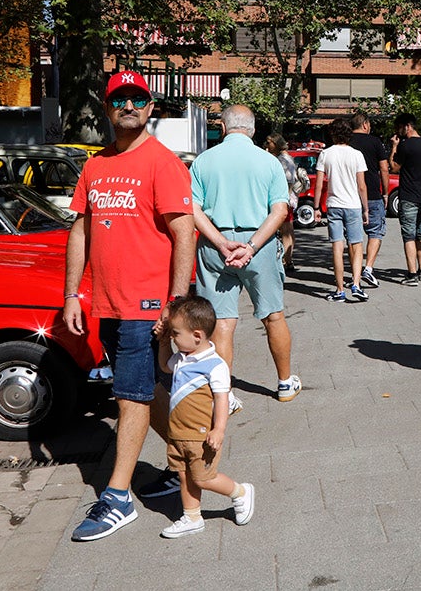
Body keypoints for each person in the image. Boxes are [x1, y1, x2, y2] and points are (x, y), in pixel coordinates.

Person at [64, 70, 196, 542]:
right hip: (106, 303)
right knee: (142, 390)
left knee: (130, 394)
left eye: (138, 99)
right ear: (107, 108)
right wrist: (71, 294)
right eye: (119, 99)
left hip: (147, 302)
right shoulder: (94, 166)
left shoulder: (163, 163)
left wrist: (174, 303)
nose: (129, 106)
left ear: (150, 108)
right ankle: (190, 458)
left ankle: (117, 496)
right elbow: (80, 231)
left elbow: (184, 233)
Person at [186, 105, 302, 409]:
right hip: (258, 242)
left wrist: (222, 242)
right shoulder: (269, 162)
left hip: (215, 243)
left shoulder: (203, 161)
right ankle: (285, 382)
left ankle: (225, 393)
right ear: (252, 130)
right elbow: (279, 210)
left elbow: (193, 209)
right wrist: (250, 246)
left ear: (223, 128)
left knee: (222, 322)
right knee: (273, 314)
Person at [151, 296, 254, 538]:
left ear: (197, 336)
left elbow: (221, 399)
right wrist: (164, 341)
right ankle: (192, 516)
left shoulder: (214, 366)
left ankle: (240, 492)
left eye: (176, 333)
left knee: (204, 478)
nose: (174, 337)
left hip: (201, 435)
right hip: (177, 433)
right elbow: (165, 365)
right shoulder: (183, 356)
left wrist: (218, 430)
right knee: (185, 475)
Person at [313, 117, 370, 302]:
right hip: (353, 205)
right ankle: (356, 284)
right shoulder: (356, 155)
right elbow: (362, 185)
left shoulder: (325, 154)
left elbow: (320, 184)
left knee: (337, 247)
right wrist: (366, 208)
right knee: (356, 245)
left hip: (334, 205)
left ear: (332, 134)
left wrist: (316, 207)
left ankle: (339, 290)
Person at [389, 113, 421, 285]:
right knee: (420, 233)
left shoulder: (405, 146)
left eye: (399, 128)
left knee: (408, 236)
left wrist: (394, 147)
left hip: (408, 196)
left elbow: (394, 168)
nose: (398, 131)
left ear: (407, 126)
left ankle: (411, 275)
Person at [350, 113, 390, 289]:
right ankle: (368, 267)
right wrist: (386, 192)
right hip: (373, 192)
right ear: (365, 125)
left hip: (349, 196)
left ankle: (355, 271)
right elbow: (384, 168)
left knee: (353, 235)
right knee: (375, 232)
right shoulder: (375, 142)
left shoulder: (345, 142)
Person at [264, 133, 301, 274]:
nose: (267, 145)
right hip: (288, 199)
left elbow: (287, 181)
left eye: (269, 142)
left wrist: (282, 198)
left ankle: (287, 260)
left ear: (276, 143)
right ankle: (288, 259)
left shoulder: (282, 160)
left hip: (283, 199)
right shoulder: (286, 158)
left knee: (285, 231)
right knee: (288, 230)